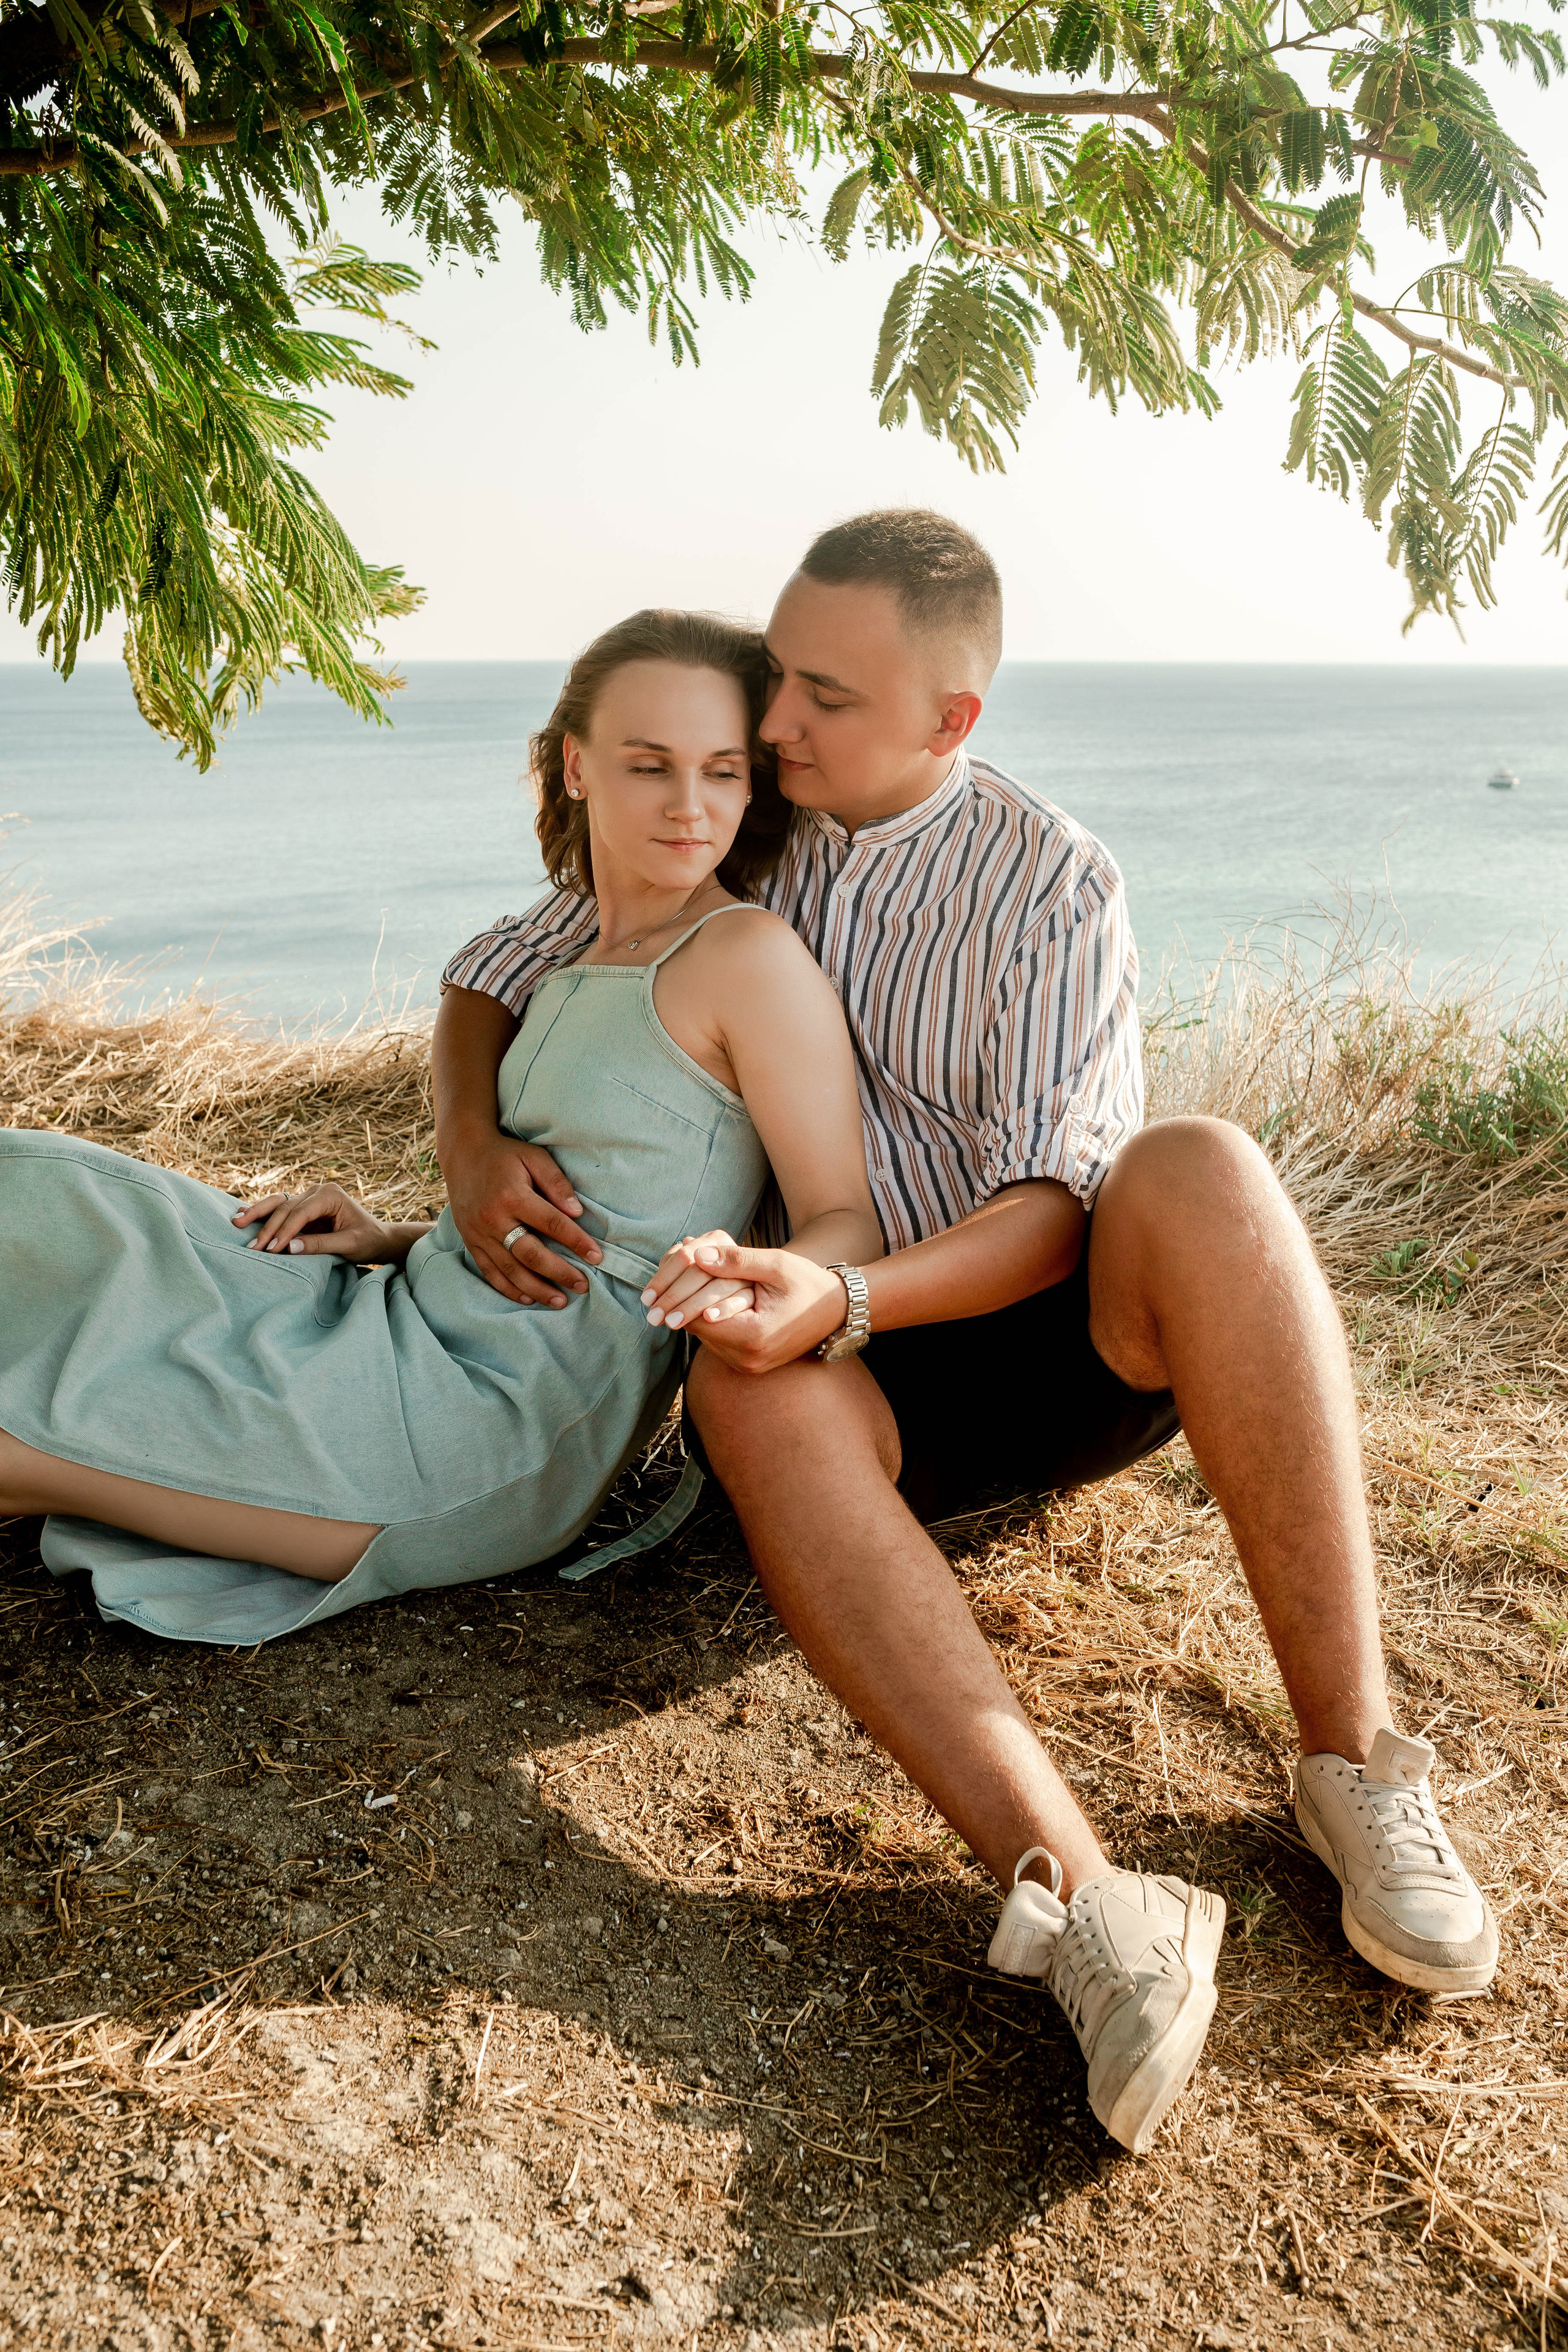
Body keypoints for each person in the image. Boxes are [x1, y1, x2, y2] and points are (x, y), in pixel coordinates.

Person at [434, 511, 1498, 2157]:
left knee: (1201, 1166)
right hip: (832, 1382)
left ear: (951, 722)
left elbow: (1057, 1213)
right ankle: (1089, 1906)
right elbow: (499, 967)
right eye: (777, 674)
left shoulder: (1050, 877)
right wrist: (464, 1142)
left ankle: (1357, 1764)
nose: (772, 726)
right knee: (751, 1374)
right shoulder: (739, 823)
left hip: (1040, 1330)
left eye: (823, 698)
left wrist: (850, 1288)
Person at [0, 611, 880, 1649]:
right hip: (413, 1315)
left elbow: (842, 1218)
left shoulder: (749, 956)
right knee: (58, 1191)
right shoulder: (584, 950)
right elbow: (576, 1205)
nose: (692, 808)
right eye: (651, 766)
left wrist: (760, 1281)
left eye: (724, 772)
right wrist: (400, 1237)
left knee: (37, 1423)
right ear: (579, 766)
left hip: (483, 1426)